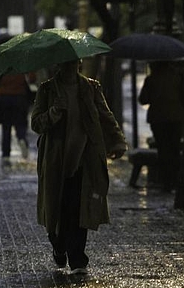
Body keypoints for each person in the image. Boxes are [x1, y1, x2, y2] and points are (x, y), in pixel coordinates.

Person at [30, 60, 126, 275]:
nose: (70, 65)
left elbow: (105, 116)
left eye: (74, 61)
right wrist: (54, 112)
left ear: (79, 63)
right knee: (57, 209)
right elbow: (36, 123)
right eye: (65, 61)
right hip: (56, 160)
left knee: (78, 208)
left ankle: (78, 260)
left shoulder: (91, 88)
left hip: (85, 158)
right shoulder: (47, 89)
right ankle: (58, 245)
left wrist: (117, 141)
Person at [138, 61, 184, 191]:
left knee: (163, 149)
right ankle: (176, 180)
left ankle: (166, 182)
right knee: (175, 149)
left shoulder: (151, 79)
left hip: (158, 118)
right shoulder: (178, 77)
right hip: (176, 117)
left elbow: (143, 99)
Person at [0, 72, 36, 164]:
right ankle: (21, 138)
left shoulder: (3, 65)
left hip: (4, 96)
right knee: (21, 123)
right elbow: (32, 78)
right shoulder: (22, 63)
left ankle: (6, 153)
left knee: (6, 127)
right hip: (20, 96)